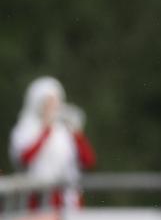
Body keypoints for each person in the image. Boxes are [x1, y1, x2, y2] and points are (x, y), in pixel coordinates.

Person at [8, 77, 96, 208]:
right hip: (36, 198)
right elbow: (25, 159)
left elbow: (88, 161)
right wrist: (46, 131)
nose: (53, 106)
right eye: (48, 102)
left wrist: (77, 134)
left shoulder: (64, 130)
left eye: (55, 101)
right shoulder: (25, 129)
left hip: (66, 198)